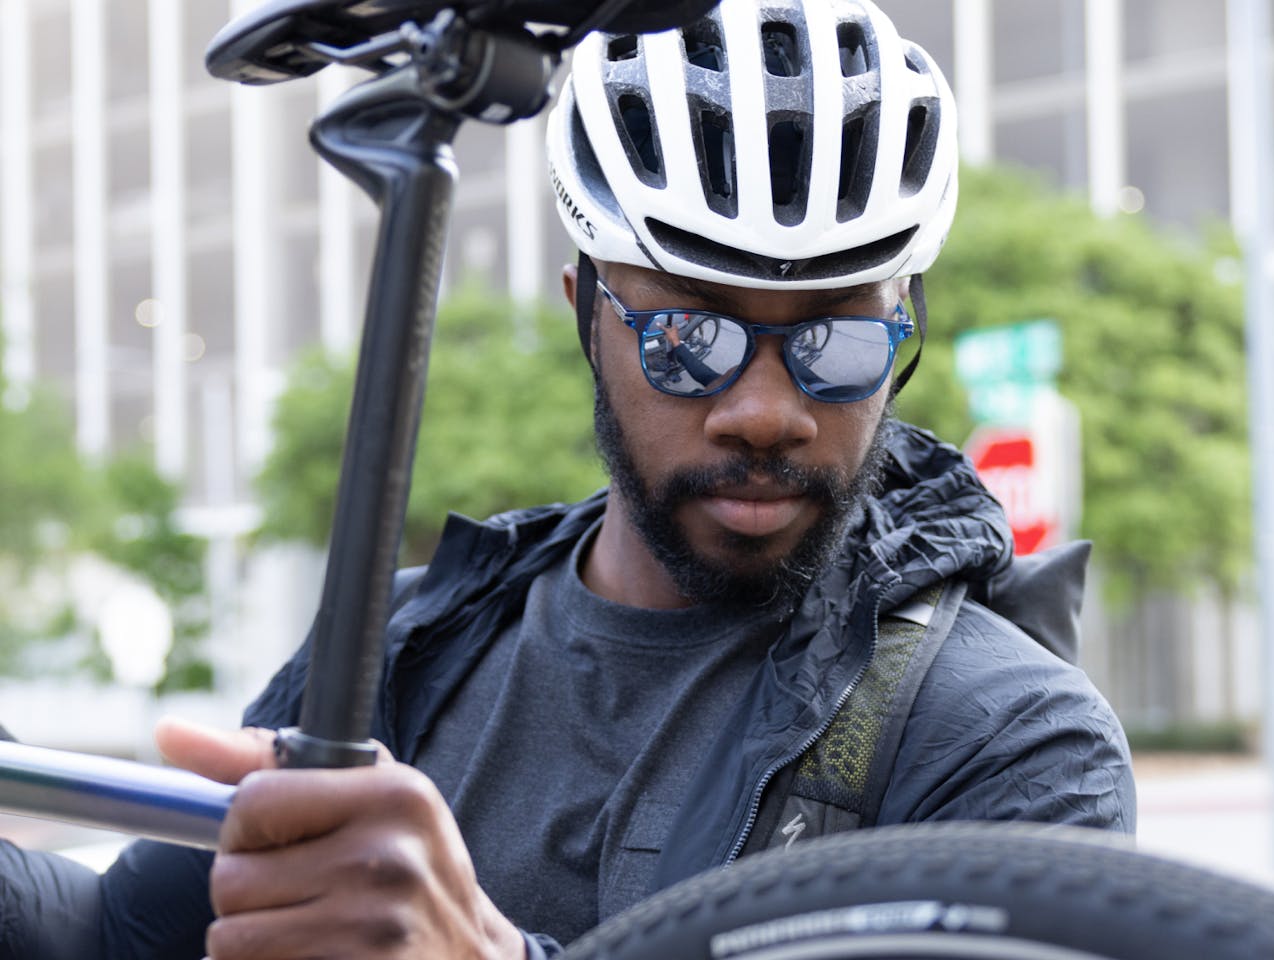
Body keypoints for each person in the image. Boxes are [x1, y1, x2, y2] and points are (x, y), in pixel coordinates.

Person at [0, 0, 1135, 957]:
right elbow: (119, 929)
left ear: (905, 337)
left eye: (837, 343)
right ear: (586, 314)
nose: (766, 412)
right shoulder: (412, 644)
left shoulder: (1009, 745)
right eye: (689, 339)